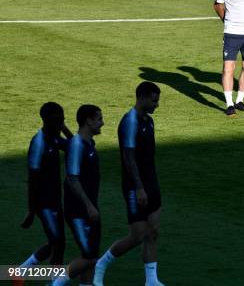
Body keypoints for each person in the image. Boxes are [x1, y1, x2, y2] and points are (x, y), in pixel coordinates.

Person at [94, 82, 164, 286]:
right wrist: (139, 187)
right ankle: (101, 264)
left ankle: (151, 281)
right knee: (138, 235)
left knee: (153, 231)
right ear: (141, 98)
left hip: (152, 183)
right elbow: (128, 158)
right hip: (136, 187)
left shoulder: (148, 121)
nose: (156, 104)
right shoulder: (129, 122)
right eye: (154, 100)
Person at [16, 103, 72, 284]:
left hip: (55, 200)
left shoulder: (54, 137)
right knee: (58, 242)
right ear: (47, 119)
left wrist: (64, 128)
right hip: (44, 203)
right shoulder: (39, 142)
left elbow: (74, 146)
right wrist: (31, 210)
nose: (62, 119)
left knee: (56, 242)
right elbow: (32, 179)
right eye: (59, 117)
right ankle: (54, 282)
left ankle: (21, 272)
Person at [52, 105, 104, 286]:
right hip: (79, 211)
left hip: (90, 207)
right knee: (90, 257)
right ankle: (55, 283)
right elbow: (72, 178)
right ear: (88, 121)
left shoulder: (87, 143)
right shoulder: (77, 145)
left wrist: (63, 127)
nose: (102, 123)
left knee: (91, 255)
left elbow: (74, 141)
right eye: (99, 119)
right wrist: (89, 206)